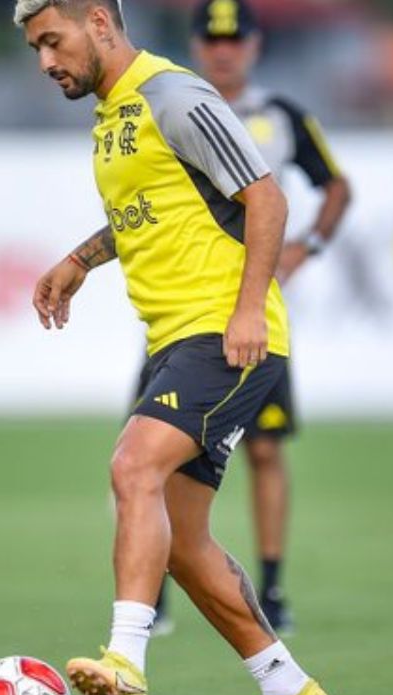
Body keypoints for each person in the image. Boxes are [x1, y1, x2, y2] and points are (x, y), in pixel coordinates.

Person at [16, 1, 334, 695]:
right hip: (176, 341)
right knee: (186, 546)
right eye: (35, 49)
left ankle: (125, 658)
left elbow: (268, 198)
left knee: (133, 466)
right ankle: (291, 694)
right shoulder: (113, 117)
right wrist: (80, 260)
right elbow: (154, 210)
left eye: (52, 41)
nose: (45, 62)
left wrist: (250, 308)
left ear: (98, 21)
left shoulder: (173, 93)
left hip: (223, 335)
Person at [147, 0, 351, 637]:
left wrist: (305, 247)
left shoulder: (281, 117)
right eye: (212, 39)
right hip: (184, 310)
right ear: (197, 45)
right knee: (149, 450)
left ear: (255, 46)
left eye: (235, 40)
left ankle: (273, 584)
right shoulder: (177, 109)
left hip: (252, 313)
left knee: (265, 449)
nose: (224, 50)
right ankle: (153, 596)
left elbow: (335, 186)